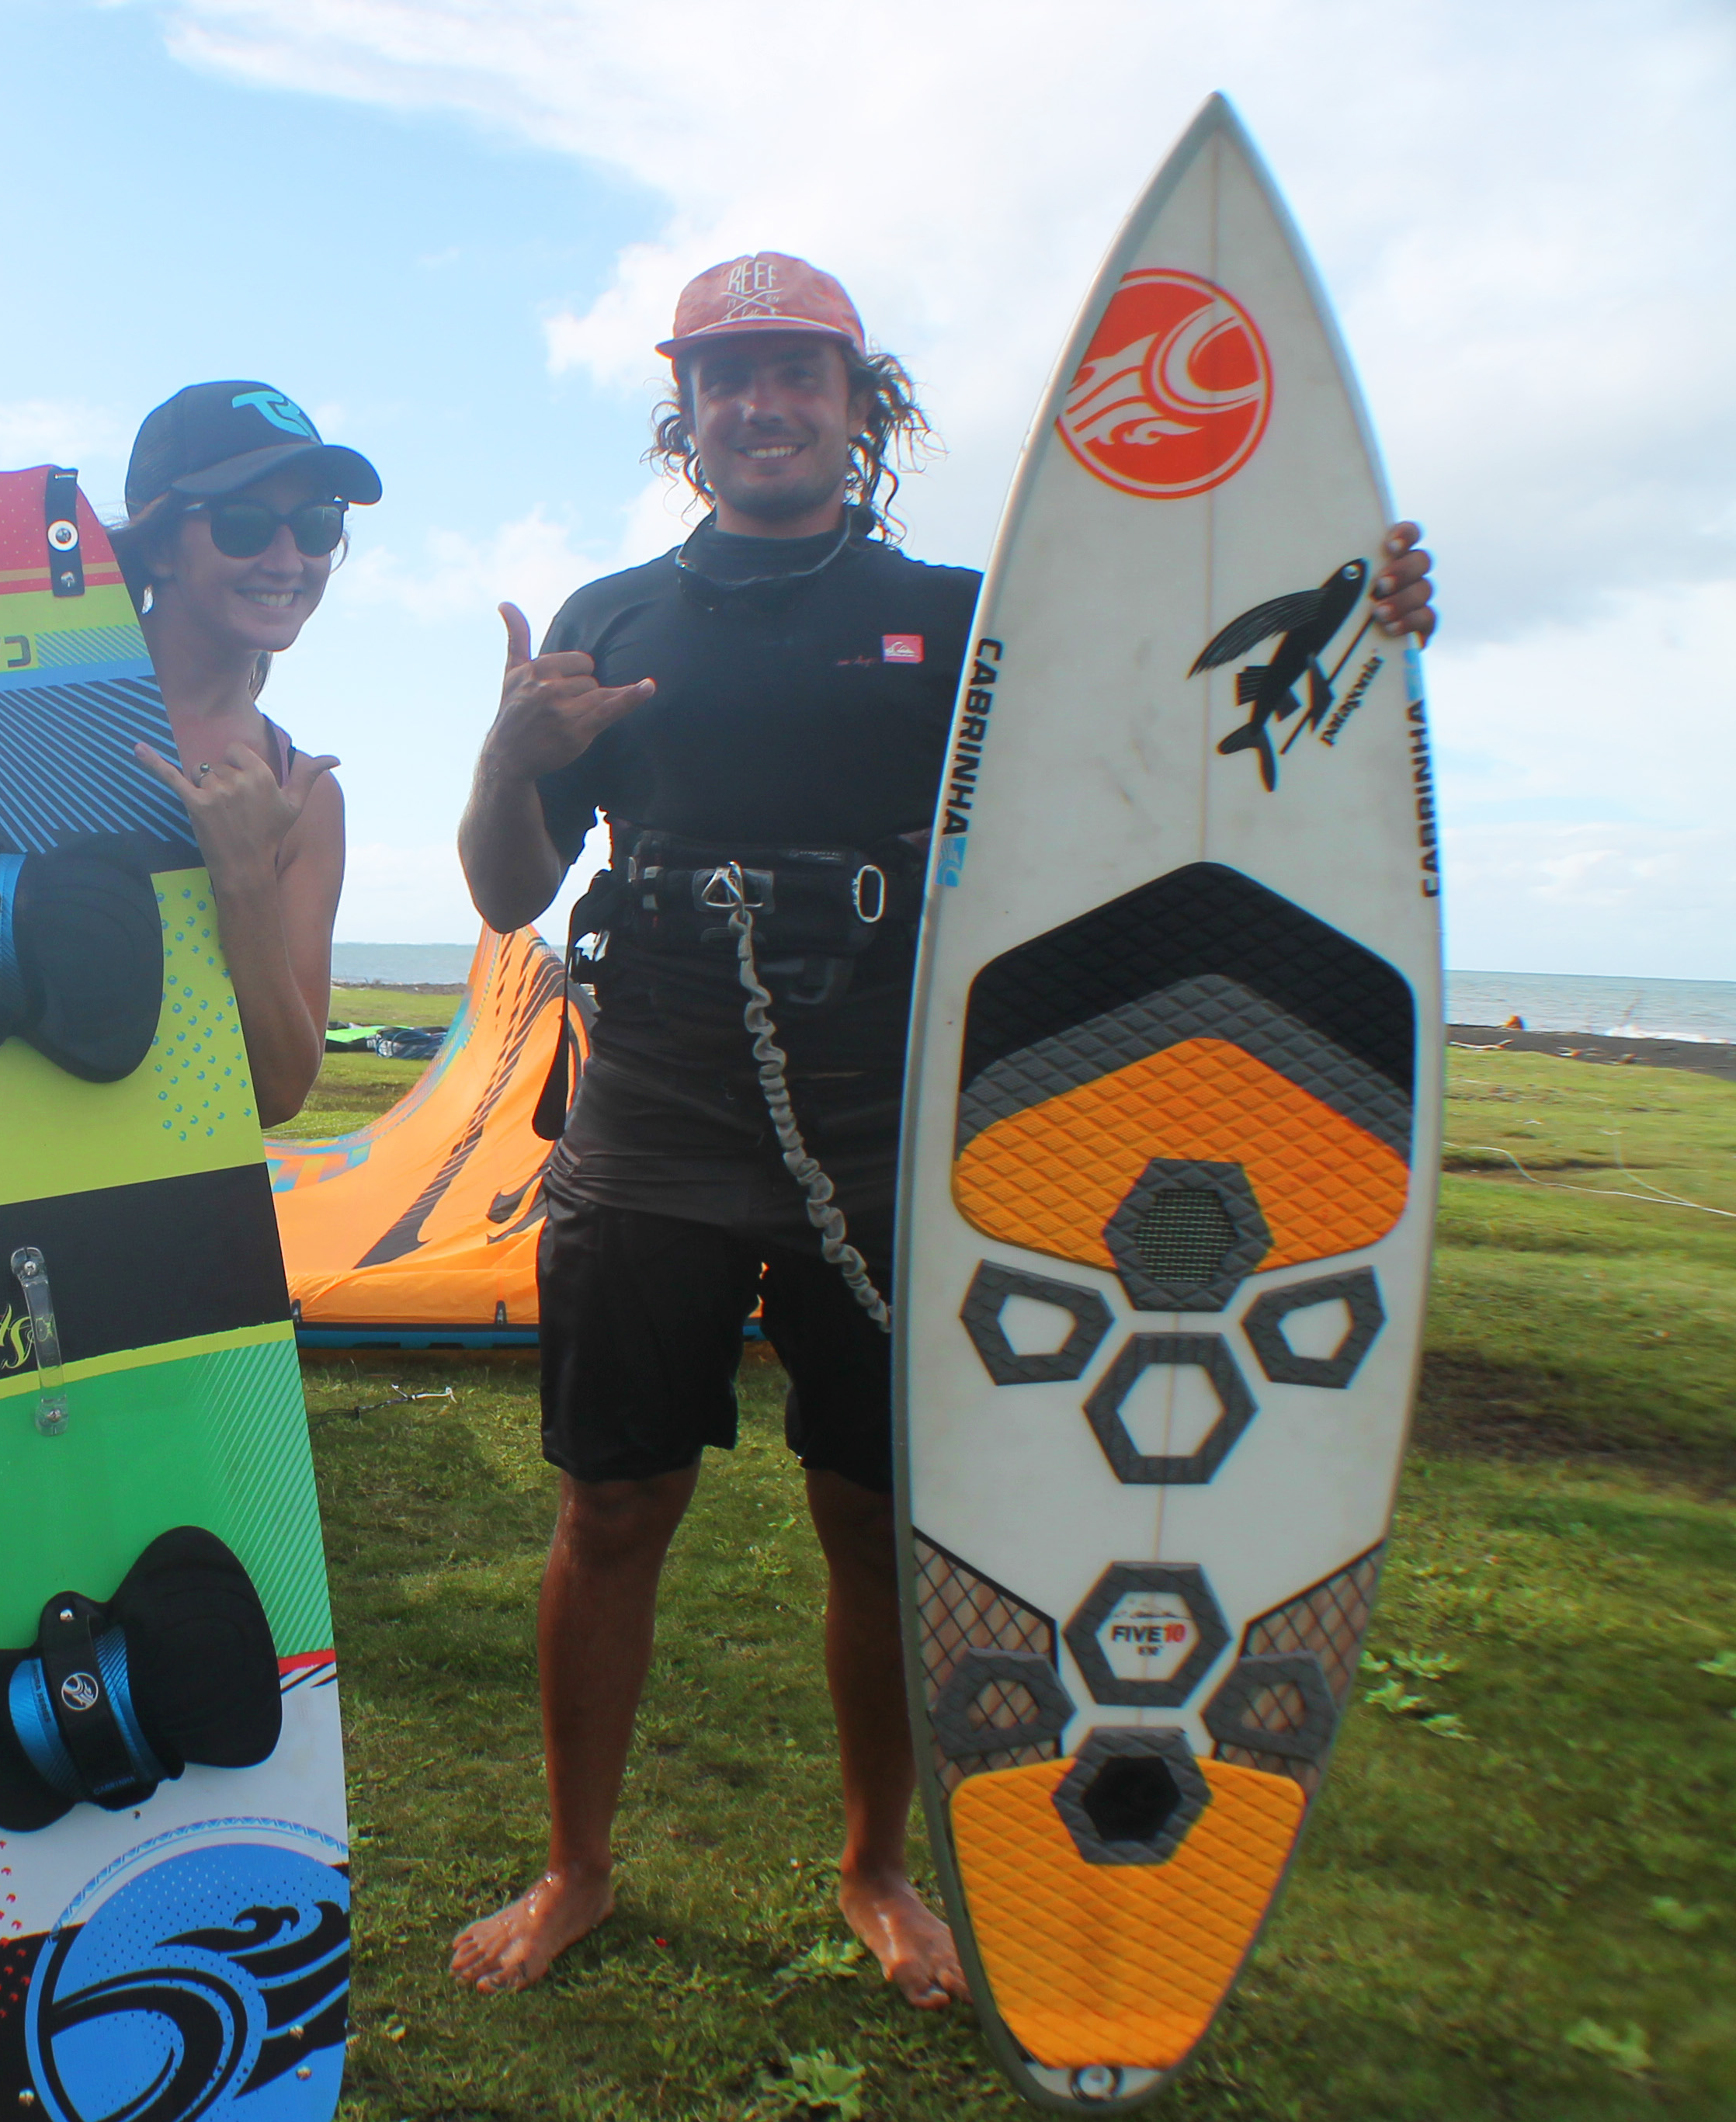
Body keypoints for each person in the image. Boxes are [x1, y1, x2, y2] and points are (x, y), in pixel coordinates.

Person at [447, 253, 1437, 2007]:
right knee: (613, 1507)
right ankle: (576, 1867)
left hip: (896, 1120)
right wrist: (507, 759)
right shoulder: (615, 617)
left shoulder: (962, 613)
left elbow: (1172, 740)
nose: (762, 404)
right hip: (660, 1106)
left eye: (800, 375)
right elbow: (514, 889)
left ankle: (878, 1864)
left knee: (878, 1517)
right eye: (728, 377)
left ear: (858, 404)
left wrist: (1351, 621)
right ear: (685, 414)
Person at [0, 383, 376, 2092]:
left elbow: (269, 1080)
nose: (290, 555)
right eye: (247, 518)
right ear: (152, 535)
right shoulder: (8, 707)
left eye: (318, 524)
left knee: (165, 1589)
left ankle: (147, 1933)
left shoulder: (301, 790)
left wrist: (244, 875)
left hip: (170, 1251)